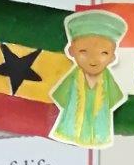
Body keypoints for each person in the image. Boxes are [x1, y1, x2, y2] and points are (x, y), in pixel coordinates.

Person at [50, 10, 128, 149]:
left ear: (112, 57)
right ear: (71, 51)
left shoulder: (108, 80)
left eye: (103, 53)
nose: (93, 60)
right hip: (69, 133)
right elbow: (60, 98)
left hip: (100, 135)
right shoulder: (72, 78)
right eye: (83, 52)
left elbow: (114, 99)